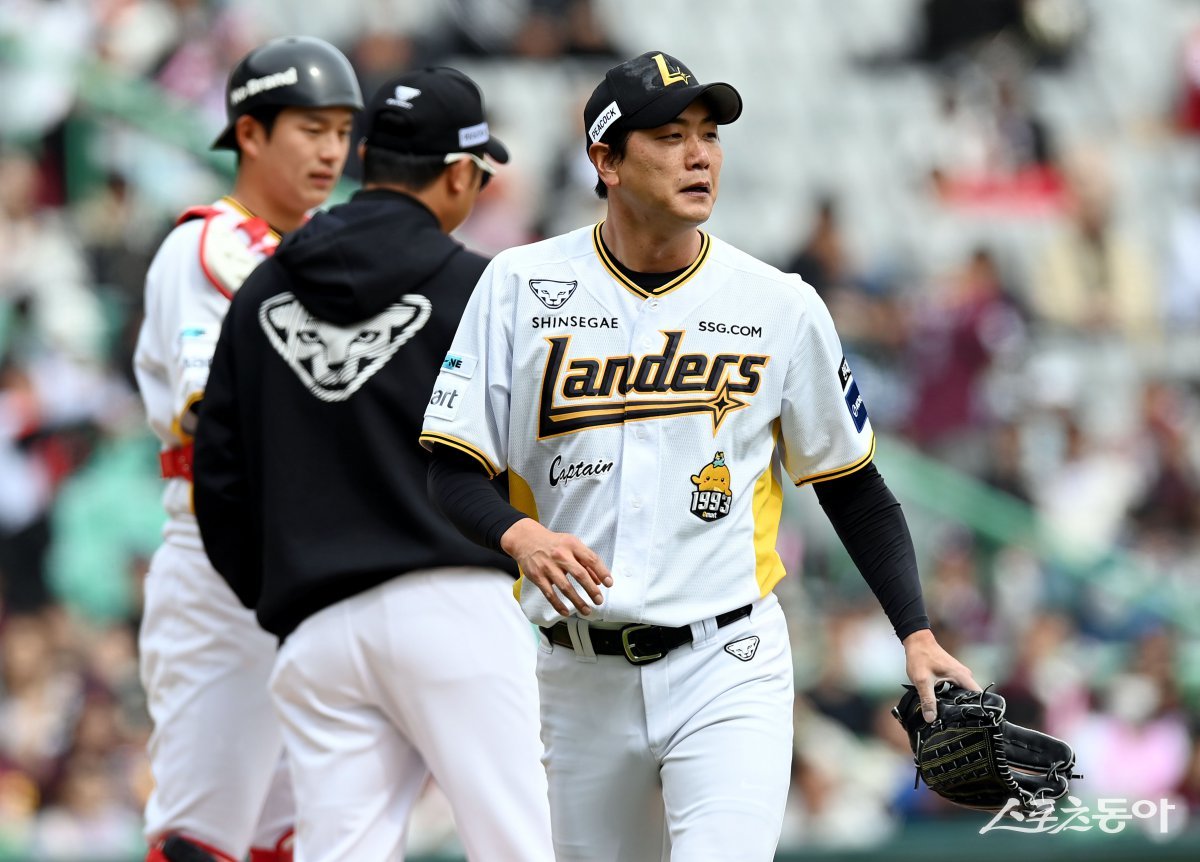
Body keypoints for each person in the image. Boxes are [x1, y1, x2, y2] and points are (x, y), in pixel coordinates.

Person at [421, 50, 981, 861]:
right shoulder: (517, 285)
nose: (699, 155)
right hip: (577, 672)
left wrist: (916, 632)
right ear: (606, 160)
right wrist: (521, 535)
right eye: (669, 136)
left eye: (709, 134)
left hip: (728, 660)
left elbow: (852, 485)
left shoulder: (779, 304)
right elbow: (450, 467)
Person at [191, 68, 555, 862]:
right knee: (529, 846)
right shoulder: (482, 288)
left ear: (365, 158)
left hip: (318, 627)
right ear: (459, 174)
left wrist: (286, 594)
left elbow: (215, 481)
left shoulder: (260, 293)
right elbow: (551, 449)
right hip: (456, 607)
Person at [132, 36, 362, 862]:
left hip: (308, 564)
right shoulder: (209, 248)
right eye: (311, 128)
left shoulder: (330, 251)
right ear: (251, 133)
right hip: (220, 557)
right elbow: (214, 412)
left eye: (343, 131)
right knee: (200, 835)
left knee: (293, 834)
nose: (332, 150)